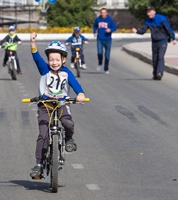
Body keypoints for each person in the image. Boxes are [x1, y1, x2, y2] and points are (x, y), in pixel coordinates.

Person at [29, 32, 86, 179]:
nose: (54, 62)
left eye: (57, 59)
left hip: (62, 104)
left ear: (64, 59)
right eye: (51, 59)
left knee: (68, 123)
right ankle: (39, 165)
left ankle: (68, 139)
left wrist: (80, 94)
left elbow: (75, 85)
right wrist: (33, 44)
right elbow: (36, 58)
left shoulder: (67, 73)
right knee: (43, 134)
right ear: (47, 60)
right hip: (45, 105)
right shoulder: (44, 70)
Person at [132, 6, 177, 80]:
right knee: (155, 58)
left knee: (160, 57)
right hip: (154, 41)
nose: (149, 13)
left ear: (154, 12)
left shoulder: (161, 18)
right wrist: (137, 31)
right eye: (147, 12)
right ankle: (155, 74)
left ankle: (160, 73)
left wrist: (173, 38)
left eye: (150, 12)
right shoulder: (148, 21)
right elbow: (143, 31)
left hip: (163, 40)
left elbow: (168, 28)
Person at [93, 7, 117, 74]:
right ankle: (100, 63)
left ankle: (106, 68)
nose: (103, 14)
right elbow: (95, 26)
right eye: (101, 13)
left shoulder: (109, 19)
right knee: (100, 52)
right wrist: (94, 32)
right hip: (100, 38)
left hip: (107, 39)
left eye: (104, 13)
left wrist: (110, 30)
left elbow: (114, 27)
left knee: (107, 55)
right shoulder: (98, 19)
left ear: (106, 13)